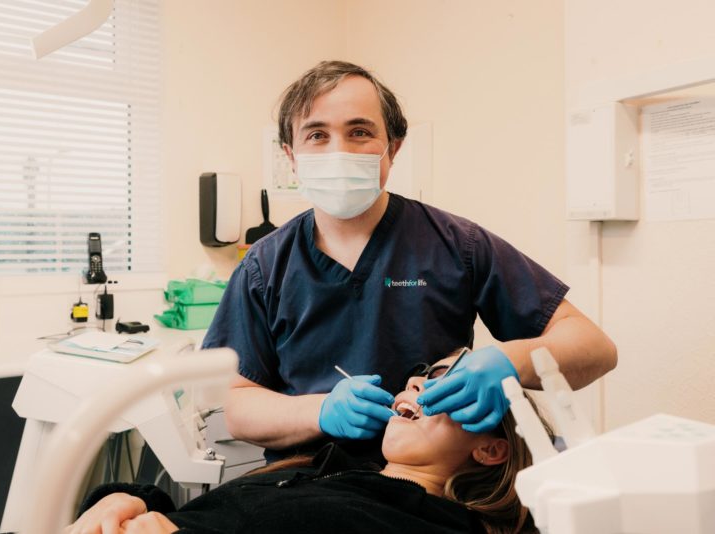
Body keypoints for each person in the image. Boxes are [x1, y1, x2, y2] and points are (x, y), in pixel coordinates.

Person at [202, 60, 617, 464]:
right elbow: (237, 406)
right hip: (307, 484)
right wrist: (320, 411)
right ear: (291, 156)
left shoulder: (455, 245)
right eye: (317, 135)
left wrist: (514, 361)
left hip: (429, 486)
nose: (339, 151)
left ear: (392, 148)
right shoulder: (264, 266)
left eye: (360, 132)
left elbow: (595, 348)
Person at [66, 352, 551, 534]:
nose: (418, 385)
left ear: (491, 449)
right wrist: (128, 498)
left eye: (450, 389)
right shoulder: (330, 469)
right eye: (423, 377)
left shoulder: (418, 523)